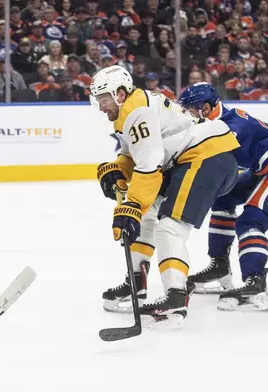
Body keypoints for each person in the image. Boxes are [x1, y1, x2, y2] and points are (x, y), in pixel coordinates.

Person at [93, 66, 239, 326]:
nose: (101, 107)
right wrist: (118, 170)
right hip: (194, 159)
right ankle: (137, 281)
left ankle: (175, 297)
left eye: (103, 99)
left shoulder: (138, 112)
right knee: (148, 215)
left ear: (120, 93)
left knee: (170, 227)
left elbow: (149, 164)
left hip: (206, 157)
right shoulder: (130, 111)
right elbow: (135, 156)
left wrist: (132, 205)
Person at [178, 83, 268, 311]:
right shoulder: (218, 122)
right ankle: (220, 265)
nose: (185, 114)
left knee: (251, 221)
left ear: (205, 108)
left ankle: (255, 283)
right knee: (223, 200)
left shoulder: (228, 128)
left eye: (189, 109)